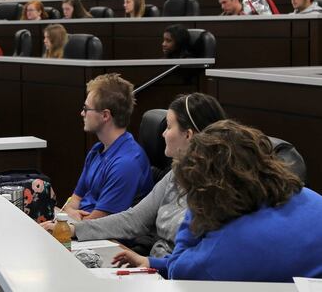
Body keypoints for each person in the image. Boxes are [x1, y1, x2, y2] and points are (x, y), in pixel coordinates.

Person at [114, 120, 322, 282]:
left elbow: (180, 271)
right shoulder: (311, 198)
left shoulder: (229, 243)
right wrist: (152, 262)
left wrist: (195, 203)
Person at [66, 94, 226, 261]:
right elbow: (134, 219)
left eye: (169, 127)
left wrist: (152, 263)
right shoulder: (175, 174)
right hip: (156, 265)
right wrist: (75, 229)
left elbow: (198, 258)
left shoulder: (218, 187)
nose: (163, 134)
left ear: (188, 135)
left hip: (175, 274)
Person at [48, 73, 153, 222]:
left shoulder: (126, 163)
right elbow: (72, 203)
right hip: (83, 228)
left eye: (86, 108)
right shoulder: (97, 150)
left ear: (105, 115)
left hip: (109, 240)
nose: (82, 113)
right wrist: (71, 213)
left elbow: (100, 224)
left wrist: (72, 218)